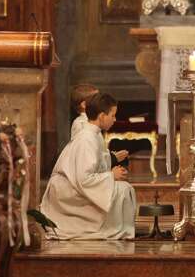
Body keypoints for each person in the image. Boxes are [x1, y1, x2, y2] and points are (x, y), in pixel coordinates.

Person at [40, 93, 136, 240]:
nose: (115, 119)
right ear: (102, 116)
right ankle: (113, 229)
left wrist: (112, 169)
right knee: (123, 190)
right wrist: (111, 176)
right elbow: (84, 179)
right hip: (67, 190)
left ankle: (118, 229)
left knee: (124, 188)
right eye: (112, 115)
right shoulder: (87, 138)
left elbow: (94, 164)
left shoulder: (92, 134)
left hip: (74, 185)